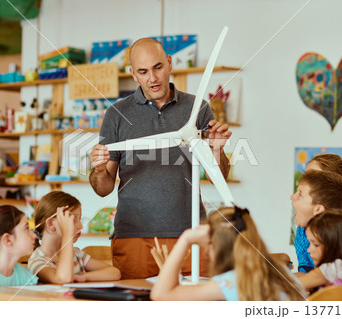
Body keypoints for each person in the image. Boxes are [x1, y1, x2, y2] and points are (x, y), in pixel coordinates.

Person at [89, 37, 232, 279]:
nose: (152, 79)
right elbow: (103, 189)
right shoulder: (116, 114)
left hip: (192, 234)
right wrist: (100, 169)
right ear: (133, 74)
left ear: (169, 63)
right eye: (143, 72)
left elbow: (218, 175)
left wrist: (216, 150)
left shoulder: (197, 108)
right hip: (133, 236)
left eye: (157, 68)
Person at [150, 207, 306, 301]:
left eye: (207, 248)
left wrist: (185, 239)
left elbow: (160, 295)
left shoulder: (232, 282)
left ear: (215, 247)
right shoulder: (282, 271)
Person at [28, 191, 120, 283]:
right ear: (51, 223)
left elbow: (115, 272)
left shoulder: (76, 254)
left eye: (79, 219)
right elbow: (63, 279)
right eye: (72, 220)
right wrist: (67, 234)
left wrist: (84, 277)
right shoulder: (37, 261)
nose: (81, 226)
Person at [291, 170, 342, 273]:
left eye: (300, 194)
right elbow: (306, 273)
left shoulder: (336, 245)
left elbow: (315, 277)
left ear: (318, 210)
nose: (292, 197)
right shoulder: (302, 232)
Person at [298, 209, 342, 290]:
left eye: (316, 245)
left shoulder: (330, 269)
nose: (309, 250)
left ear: (335, 245)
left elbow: (289, 286)